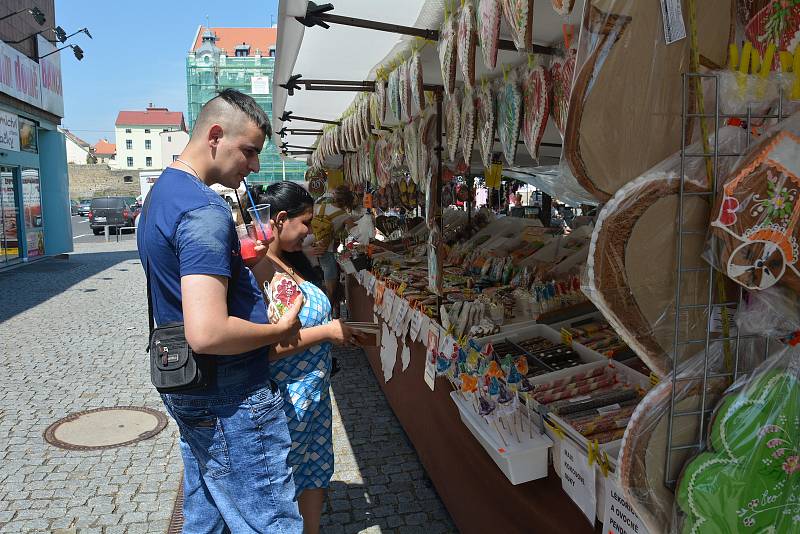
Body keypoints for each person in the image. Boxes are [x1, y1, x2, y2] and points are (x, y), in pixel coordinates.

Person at [137, 89, 305, 533]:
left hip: (188, 382)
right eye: (249, 151)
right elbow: (208, 331)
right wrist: (279, 328)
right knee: (271, 520)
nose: (253, 165)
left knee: (207, 513)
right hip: (231, 393)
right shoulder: (204, 209)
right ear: (215, 135)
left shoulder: (163, 194)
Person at [260, 181, 367, 534]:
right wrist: (326, 333)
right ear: (280, 219)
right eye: (305, 222)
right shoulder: (258, 269)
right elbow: (267, 350)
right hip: (286, 402)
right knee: (284, 481)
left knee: (316, 471)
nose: (309, 231)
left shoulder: (292, 261)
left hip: (314, 396)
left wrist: (337, 332)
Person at [307, 185, 358, 316]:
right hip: (326, 251)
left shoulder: (320, 207)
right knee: (331, 287)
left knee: (316, 284)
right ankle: (327, 315)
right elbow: (356, 233)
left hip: (309, 246)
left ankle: (332, 310)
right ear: (347, 201)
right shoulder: (344, 215)